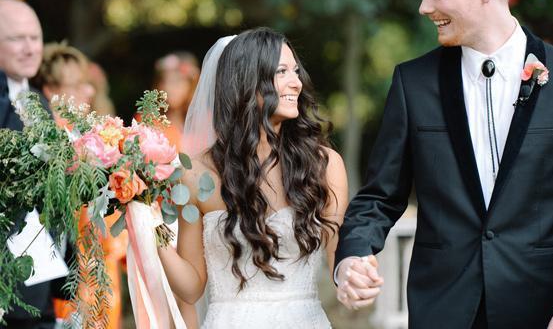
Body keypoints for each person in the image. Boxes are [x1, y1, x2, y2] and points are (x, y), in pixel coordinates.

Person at [334, 0, 553, 328]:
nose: (425, 7)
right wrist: (351, 258)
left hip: (549, 312)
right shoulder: (413, 83)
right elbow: (378, 197)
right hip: (443, 311)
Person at [156, 27, 348, 328]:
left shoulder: (324, 165)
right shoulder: (195, 174)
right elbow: (191, 289)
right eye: (282, 71)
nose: (296, 82)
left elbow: (341, 259)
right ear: (247, 81)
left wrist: (359, 271)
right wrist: (150, 230)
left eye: (296, 71)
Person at [32, 41, 127, 329]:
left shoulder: (87, 137)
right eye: (78, 85)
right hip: (74, 267)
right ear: (50, 91)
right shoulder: (49, 144)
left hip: (98, 260)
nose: (89, 91)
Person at [0, 0, 59, 328]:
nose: (29, 48)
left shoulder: (38, 101)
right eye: (16, 38)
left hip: (34, 269)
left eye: (35, 38)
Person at [152, 51, 200, 150]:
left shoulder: (204, 121)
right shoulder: (149, 120)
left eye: (178, 81)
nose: (170, 88)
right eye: (166, 81)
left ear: (191, 85)